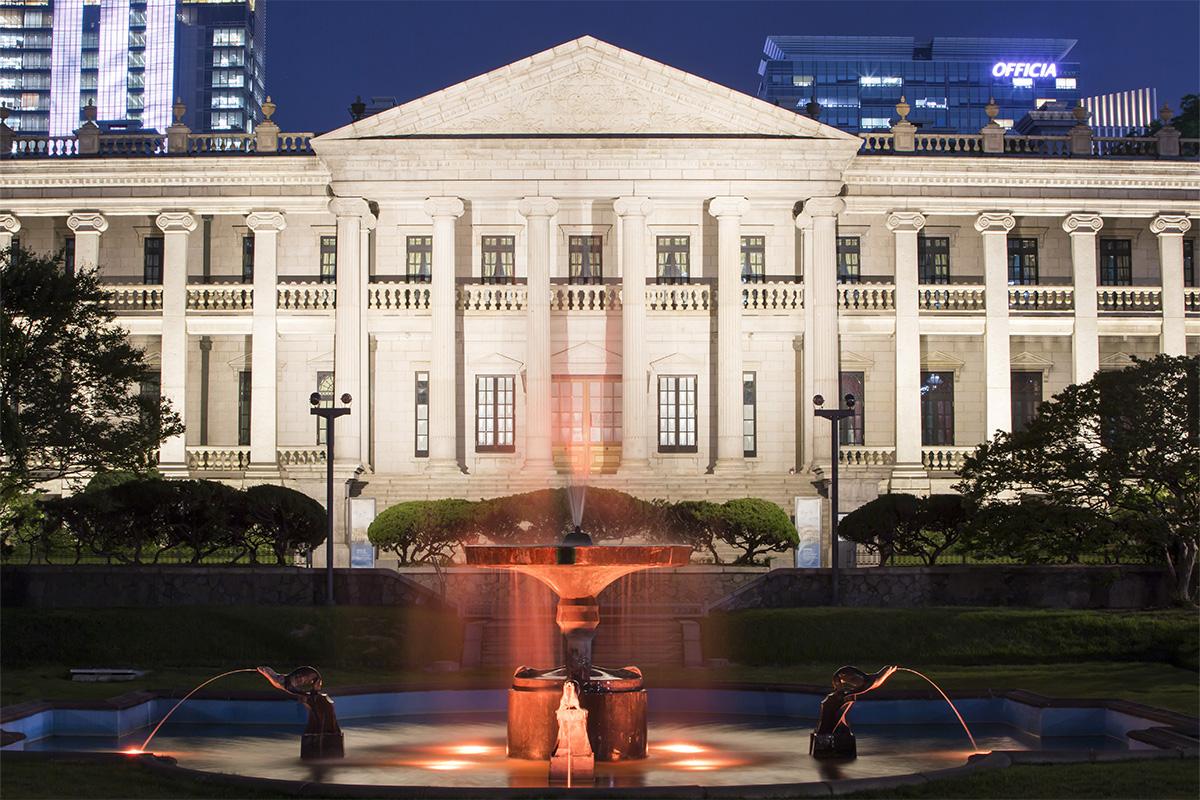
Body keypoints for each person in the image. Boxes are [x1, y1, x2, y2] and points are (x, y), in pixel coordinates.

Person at [809, 665, 897, 759]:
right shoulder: (864, 682)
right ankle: (830, 735)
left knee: (836, 711)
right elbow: (858, 688)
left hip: (843, 685)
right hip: (841, 683)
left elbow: (859, 689)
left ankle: (835, 732)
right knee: (833, 708)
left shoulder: (867, 682)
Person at [257, 666, 344, 760]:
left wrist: (264, 671)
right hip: (305, 680)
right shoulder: (287, 684)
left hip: (306, 681)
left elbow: (303, 693)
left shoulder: (287, 684)